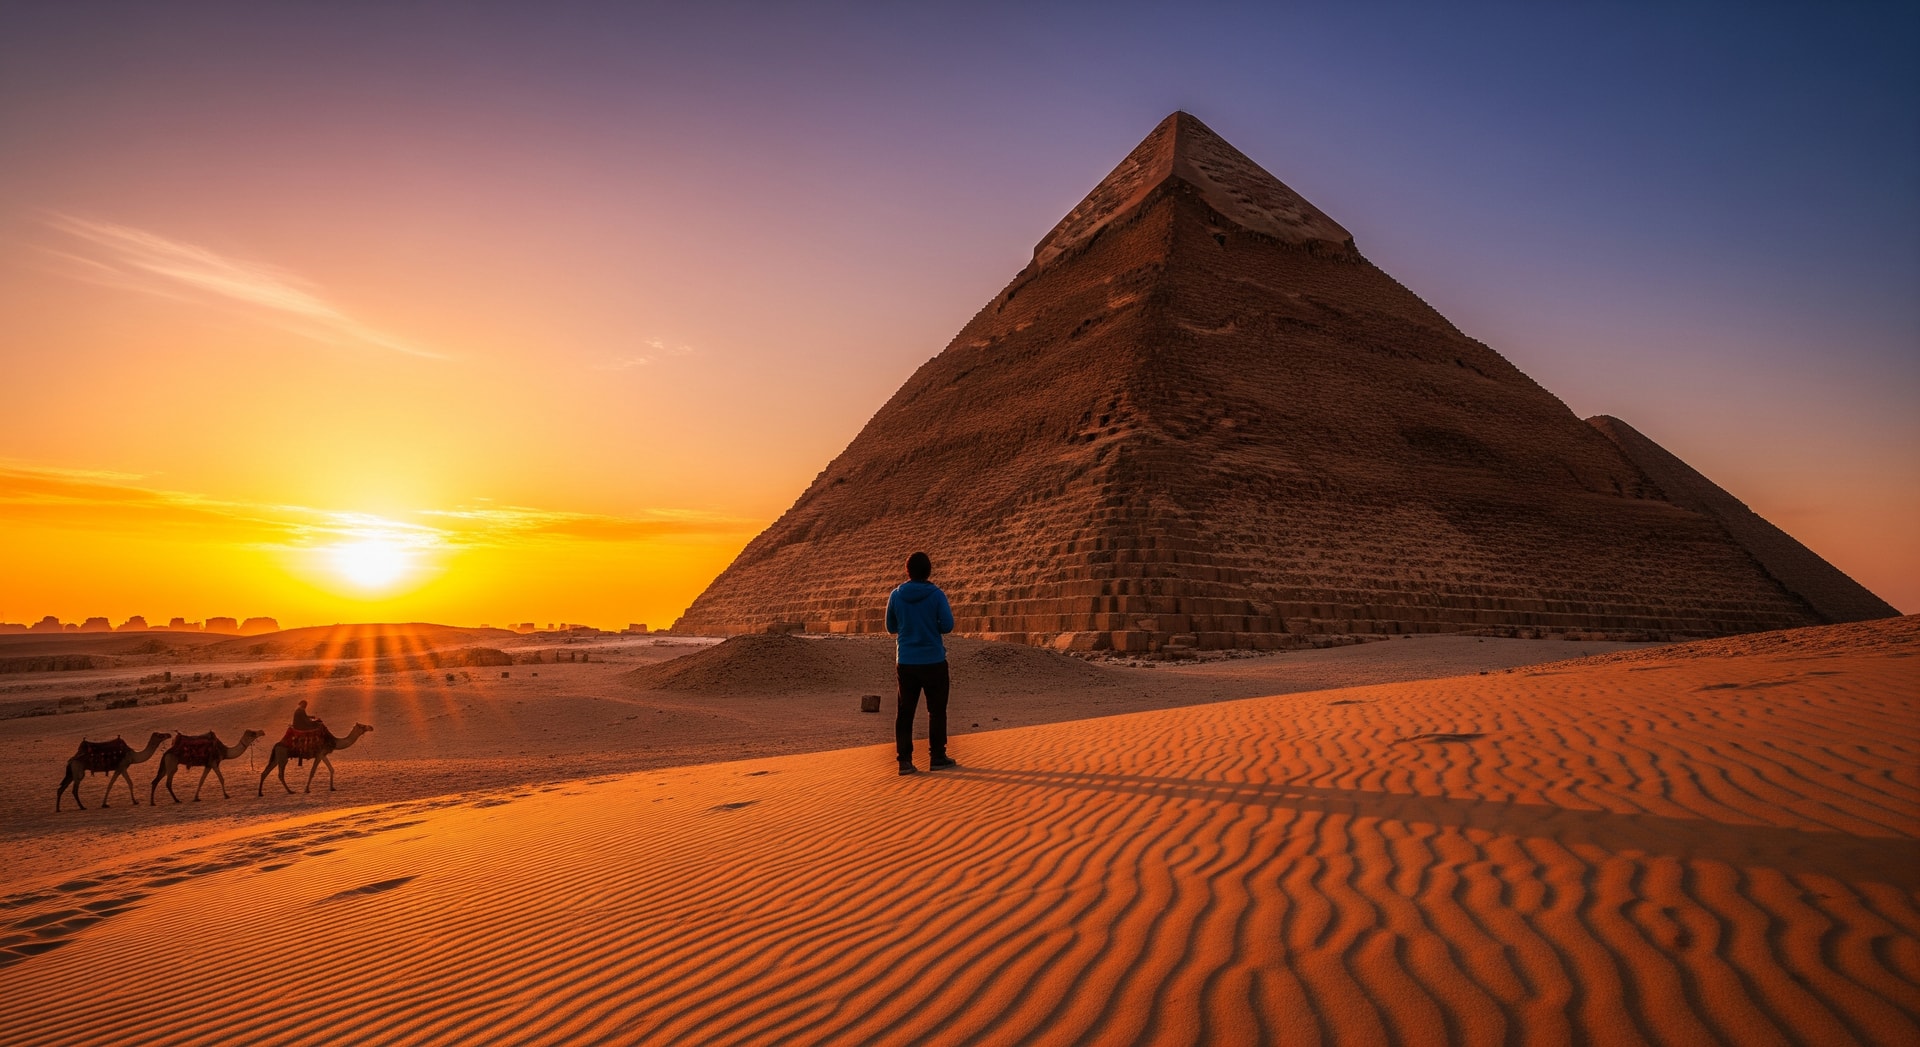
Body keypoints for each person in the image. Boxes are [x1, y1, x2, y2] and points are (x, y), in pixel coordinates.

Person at [886, 551, 955, 776]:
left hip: (906, 661)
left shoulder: (896, 595)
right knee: (936, 711)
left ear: (907, 571)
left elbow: (890, 627)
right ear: (929, 571)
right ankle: (937, 756)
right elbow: (947, 625)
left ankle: (904, 761)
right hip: (933, 660)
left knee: (905, 712)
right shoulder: (936, 595)